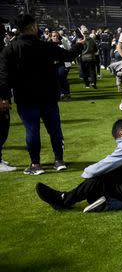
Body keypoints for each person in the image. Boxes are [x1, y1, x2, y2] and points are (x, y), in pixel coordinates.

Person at [0, 13, 84, 175]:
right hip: (48, 95)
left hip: (25, 97)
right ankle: (59, 161)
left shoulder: (10, 49)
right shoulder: (45, 46)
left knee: (32, 130)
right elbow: (68, 55)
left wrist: (4, 97)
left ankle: (35, 164)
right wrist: (80, 44)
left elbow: (3, 76)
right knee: (54, 129)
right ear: (32, 27)